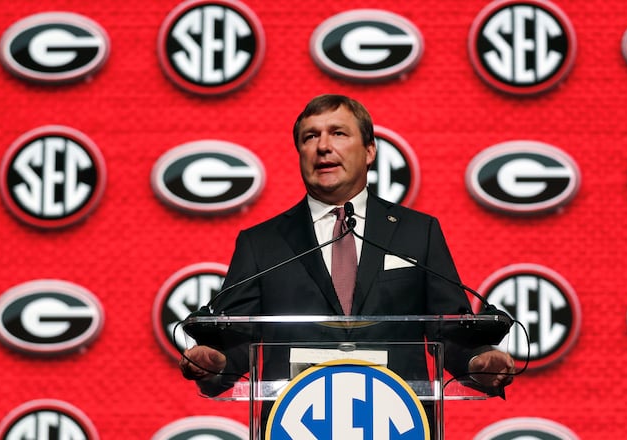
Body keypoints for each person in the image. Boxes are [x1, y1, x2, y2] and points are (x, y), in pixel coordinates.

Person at [179, 94, 515, 432]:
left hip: (399, 428)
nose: (323, 146)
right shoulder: (261, 243)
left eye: (338, 133)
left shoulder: (418, 233)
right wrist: (215, 362)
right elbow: (235, 341)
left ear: (370, 151)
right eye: (310, 137)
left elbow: (449, 329)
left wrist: (478, 360)